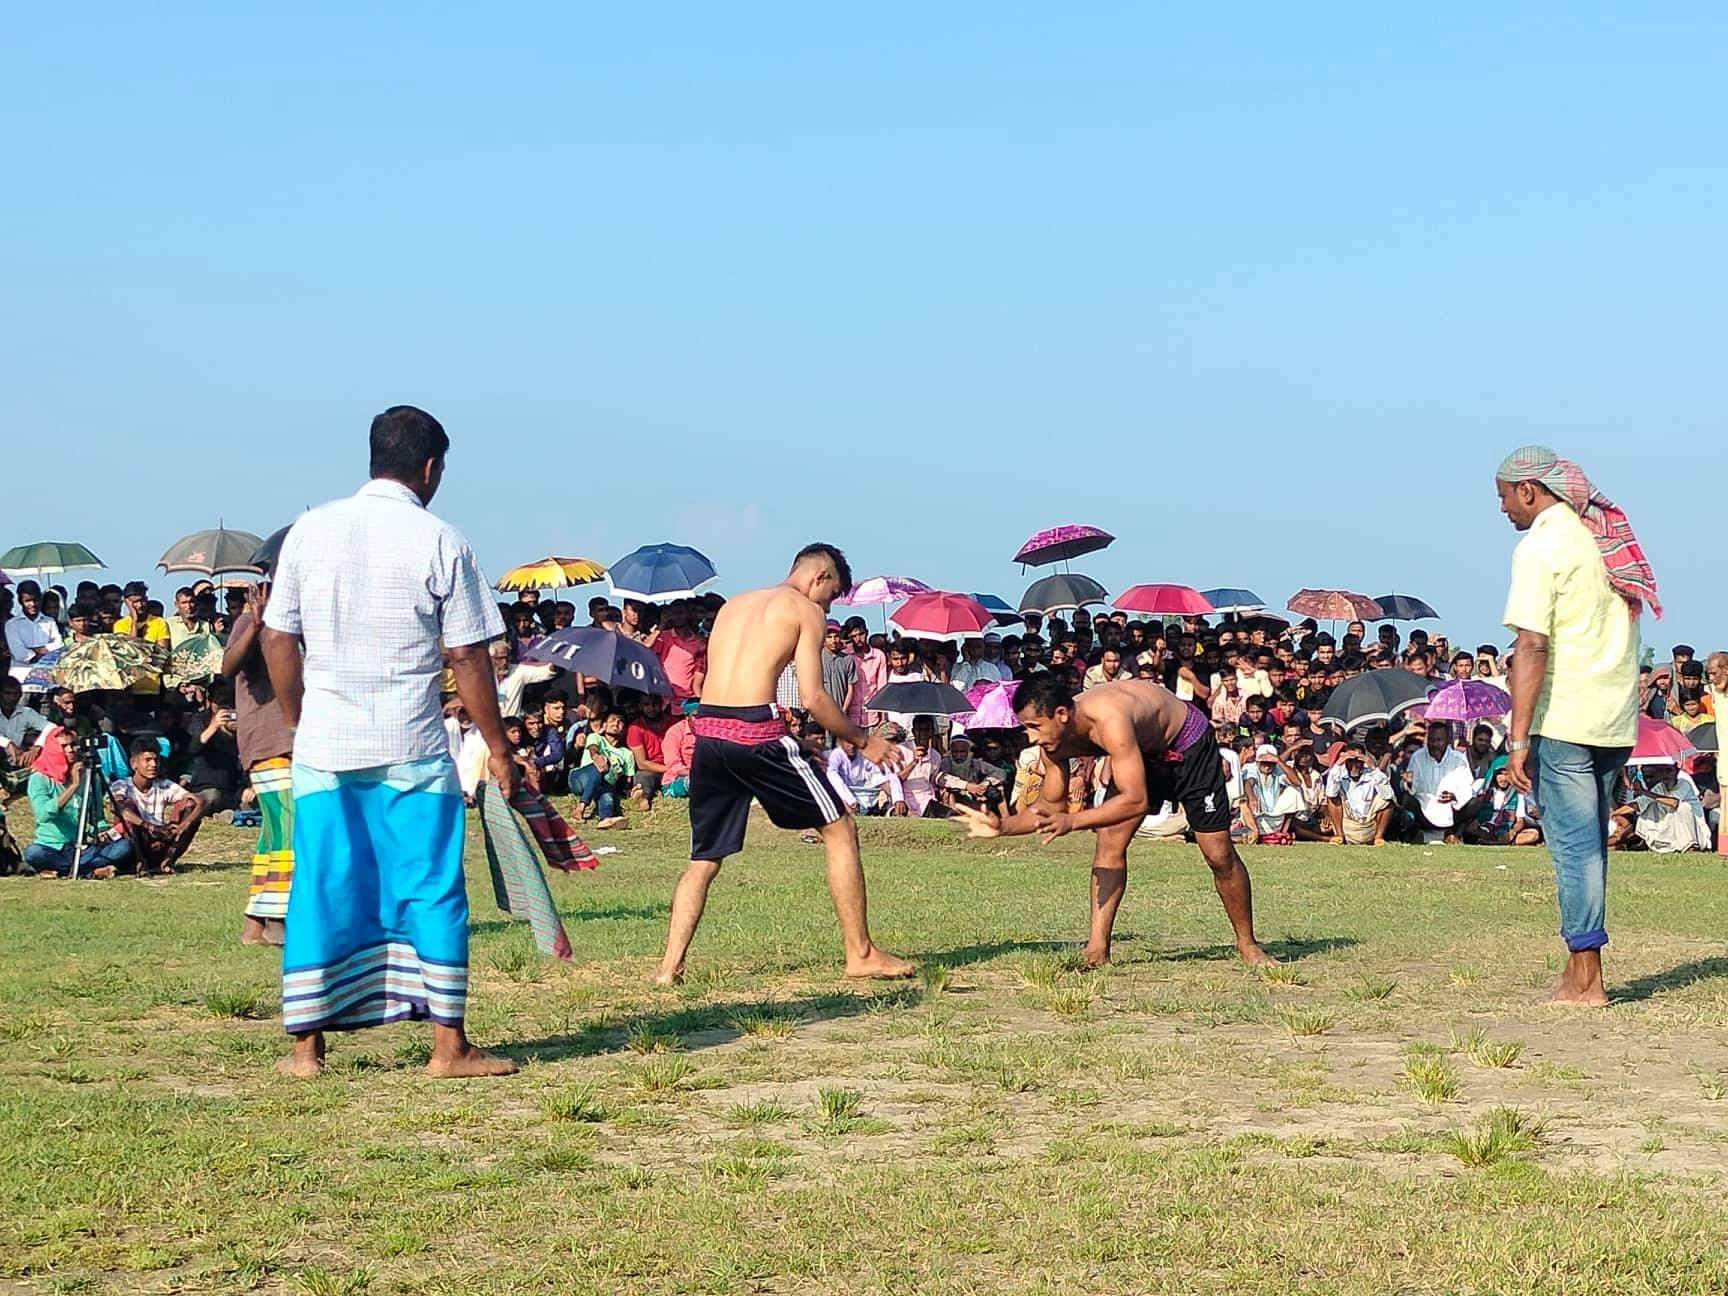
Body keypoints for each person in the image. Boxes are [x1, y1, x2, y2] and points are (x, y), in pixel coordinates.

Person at [261, 404, 518, 1079]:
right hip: (411, 744)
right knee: (430, 887)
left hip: (325, 746)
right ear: (430, 468)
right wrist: (498, 745)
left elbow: (276, 638)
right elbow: (466, 656)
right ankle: (448, 1047)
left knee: (319, 885)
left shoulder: (308, 532)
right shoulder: (441, 539)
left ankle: (306, 1050)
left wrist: (299, 719)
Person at [654, 543, 912, 986]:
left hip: (710, 732)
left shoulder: (735, 605)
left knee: (704, 858)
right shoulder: (805, 611)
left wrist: (789, 739)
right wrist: (862, 739)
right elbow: (812, 696)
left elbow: (730, 687)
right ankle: (861, 953)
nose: (827, 607)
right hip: (754, 733)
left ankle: (667, 969)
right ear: (820, 578)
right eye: (831, 597)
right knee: (839, 828)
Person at [953, 676, 1275, 969]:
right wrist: (1003, 826)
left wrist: (1073, 821)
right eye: (1026, 728)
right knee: (1109, 838)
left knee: (1217, 853)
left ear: (1062, 714)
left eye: (1035, 726)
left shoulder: (1110, 719)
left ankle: (1246, 943)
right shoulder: (1053, 742)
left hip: (1187, 742)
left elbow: (1133, 799)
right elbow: (1050, 805)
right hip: (1142, 753)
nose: (1031, 737)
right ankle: (1097, 948)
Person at [1497, 445, 1653, 1008]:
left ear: (1530, 491)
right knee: (1592, 847)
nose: (1504, 509)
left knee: (1574, 849)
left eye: (1505, 496)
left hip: (1564, 717)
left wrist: (1517, 737)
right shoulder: (1600, 539)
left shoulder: (1542, 544)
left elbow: (1532, 644)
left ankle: (1586, 977)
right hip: (1613, 720)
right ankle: (1580, 969)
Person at [224, 578, 296, 946]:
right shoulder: (252, 620)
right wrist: (256, 624)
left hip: (296, 741)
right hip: (270, 739)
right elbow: (227, 666)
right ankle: (278, 916)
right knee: (288, 828)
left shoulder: (303, 621)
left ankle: (255, 922)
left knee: (273, 833)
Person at [23, 726, 133, 878]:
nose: (70, 750)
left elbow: (98, 817)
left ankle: (63, 871)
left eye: (73, 745)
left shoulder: (89, 776)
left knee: (123, 847)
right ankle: (90, 871)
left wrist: (102, 831)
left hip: (82, 847)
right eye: (64, 746)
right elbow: (43, 815)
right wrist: (74, 785)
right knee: (33, 853)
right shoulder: (39, 779)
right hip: (53, 846)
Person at [109, 736, 207, 874]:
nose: (153, 765)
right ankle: (138, 862)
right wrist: (150, 827)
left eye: (156, 760)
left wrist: (186, 824)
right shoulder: (122, 786)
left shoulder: (163, 785)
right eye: (147, 760)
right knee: (128, 807)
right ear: (133, 763)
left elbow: (201, 800)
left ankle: (167, 861)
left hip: (159, 839)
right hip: (135, 841)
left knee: (189, 805)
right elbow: (120, 809)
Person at [1398, 720, 1474, 844]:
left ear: (1447, 741)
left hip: (1451, 809)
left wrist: (1454, 796)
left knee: (1474, 803)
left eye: (1439, 740)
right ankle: (1421, 834)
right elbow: (1409, 787)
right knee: (1407, 799)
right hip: (1424, 807)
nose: (1434, 744)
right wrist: (1409, 782)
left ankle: (1454, 834)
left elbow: (1467, 787)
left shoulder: (1458, 758)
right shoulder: (1418, 756)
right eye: (1431, 740)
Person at [1629, 763, 1711, 853]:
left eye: (1669, 771)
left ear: (1677, 771)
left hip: (1694, 829)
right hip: (1671, 828)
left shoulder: (1684, 783)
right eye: (1662, 772)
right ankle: (1646, 841)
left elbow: (1674, 802)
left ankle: (1692, 845)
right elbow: (1639, 803)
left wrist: (1644, 792)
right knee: (1649, 806)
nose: (1666, 775)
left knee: (1683, 807)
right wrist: (1613, 814)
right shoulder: (1660, 787)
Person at [572, 710, 634, 827]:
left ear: (624, 729)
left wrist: (629, 791)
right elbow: (593, 749)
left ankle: (605, 819)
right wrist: (596, 757)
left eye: (620, 722)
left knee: (607, 793)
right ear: (604, 726)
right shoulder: (595, 738)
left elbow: (628, 780)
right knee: (601, 765)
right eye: (612, 720)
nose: (615, 724)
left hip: (603, 784)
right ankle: (581, 808)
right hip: (580, 778)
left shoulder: (627, 754)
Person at [1460, 756, 1541, 846]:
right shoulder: (1481, 786)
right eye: (1500, 774)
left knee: (1533, 834)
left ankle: (1496, 841)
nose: (1503, 778)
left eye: (1507, 775)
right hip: (1482, 827)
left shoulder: (1518, 793)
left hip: (1503, 831)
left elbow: (1520, 820)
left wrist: (1513, 832)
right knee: (1470, 830)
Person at [1325, 748, 1394, 845]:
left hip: (1368, 823)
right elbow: (1330, 793)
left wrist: (1373, 768)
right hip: (1348, 821)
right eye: (1350, 761)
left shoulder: (1371, 775)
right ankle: (1339, 835)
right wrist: (1339, 762)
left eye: (1358, 761)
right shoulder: (1339, 774)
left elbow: (1388, 795)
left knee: (1387, 802)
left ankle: (1379, 837)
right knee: (1333, 799)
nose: (1354, 765)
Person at [826, 735, 906, 815]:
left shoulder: (865, 754)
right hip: (844, 795)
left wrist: (898, 798)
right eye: (848, 742)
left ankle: (894, 809)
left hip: (866, 795)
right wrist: (850, 800)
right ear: (840, 742)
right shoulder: (836, 754)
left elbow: (888, 774)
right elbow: (832, 775)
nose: (852, 746)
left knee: (884, 780)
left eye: (854, 743)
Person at [1240, 744, 1303, 844]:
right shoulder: (1250, 768)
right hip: (1255, 818)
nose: (1267, 766)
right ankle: (1254, 833)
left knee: (1295, 791)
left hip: (1275, 818)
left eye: (1270, 763)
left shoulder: (1278, 769)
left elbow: (1298, 782)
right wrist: (1252, 797)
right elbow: (1248, 782)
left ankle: (1282, 833)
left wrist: (1279, 761)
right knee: (1244, 798)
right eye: (1264, 763)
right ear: (1257, 762)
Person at [5, 580, 62, 689]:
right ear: (20, 601)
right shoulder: (12, 624)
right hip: (22, 682)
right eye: (28, 601)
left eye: (35, 600)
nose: (33, 604)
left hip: (47, 682)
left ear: (40, 599)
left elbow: (59, 645)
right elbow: (20, 654)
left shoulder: (49, 621)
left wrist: (35, 650)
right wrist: (46, 652)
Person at [0, 675, 49, 796]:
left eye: (16, 694)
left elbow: (51, 727)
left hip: (16, 762)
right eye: (7, 693)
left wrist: (37, 747)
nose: (12, 698)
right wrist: (8, 744)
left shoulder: (26, 712)